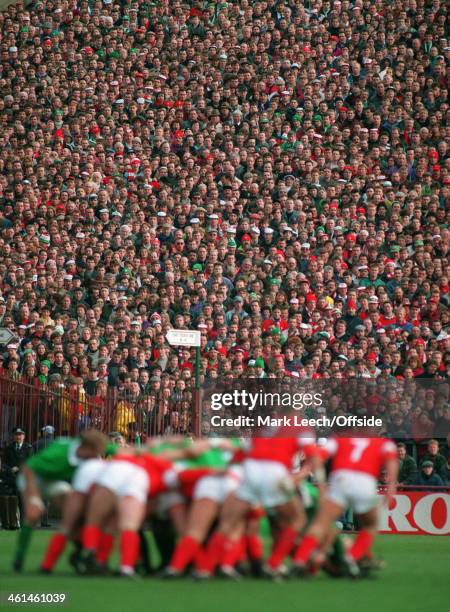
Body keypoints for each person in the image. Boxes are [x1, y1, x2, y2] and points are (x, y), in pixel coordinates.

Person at [291, 437, 398, 578]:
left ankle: (299, 561)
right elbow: (392, 462)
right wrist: (391, 486)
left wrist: (306, 474)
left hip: (341, 480)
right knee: (370, 525)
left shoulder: (338, 440)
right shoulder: (384, 443)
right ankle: (351, 558)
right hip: (365, 482)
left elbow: (318, 456)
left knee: (319, 525)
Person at [13, 430, 109, 572]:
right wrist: (33, 498)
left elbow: (115, 448)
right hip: (32, 478)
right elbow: (28, 468)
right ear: (86, 448)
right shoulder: (59, 453)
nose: (96, 457)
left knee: (73, 514)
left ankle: (80, 554)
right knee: (33, 514)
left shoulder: (89, 450)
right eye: (95, 453)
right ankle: (19, 559)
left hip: (53, 480)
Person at [2, 427, 33, 527]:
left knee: (23, 502)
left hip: (23, 479)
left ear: (24, 436)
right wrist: (9, 469)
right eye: (16, 434)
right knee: (11, 501)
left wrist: (18, 468)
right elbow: (4, 463)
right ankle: (12, 522)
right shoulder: (8, 448)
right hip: (11, 479)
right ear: (13, 436)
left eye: (20, 434)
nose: (18, 437)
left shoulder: (28, 448)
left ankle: (24, 523)